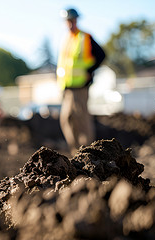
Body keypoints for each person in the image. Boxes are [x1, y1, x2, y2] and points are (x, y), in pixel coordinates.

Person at [56, 8, 105, 154]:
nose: (71, 23)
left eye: (73, 20)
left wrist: (89, 72)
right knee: (66, 119)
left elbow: (101, 55)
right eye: (68, 21)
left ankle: (88, 152)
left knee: (82, 119)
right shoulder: (66, 39)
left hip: (81, 86)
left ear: (77, 20)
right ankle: (75, 152)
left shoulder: (85, 37)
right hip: (67, 86)